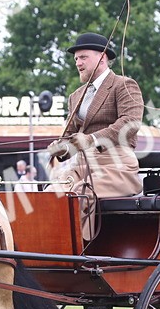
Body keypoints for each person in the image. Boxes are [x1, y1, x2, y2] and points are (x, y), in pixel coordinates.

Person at [47, 32, 143, 200]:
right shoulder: (75, 96)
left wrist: (92, 139)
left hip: (116, 166)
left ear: (102, 57)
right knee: (48, 196)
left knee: (79, 196)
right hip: (81, 167)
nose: (78, 63)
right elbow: (70, 139)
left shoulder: (123, 85)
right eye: (76, 59)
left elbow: (131, 123)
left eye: (83, 57)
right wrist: (62, 149)